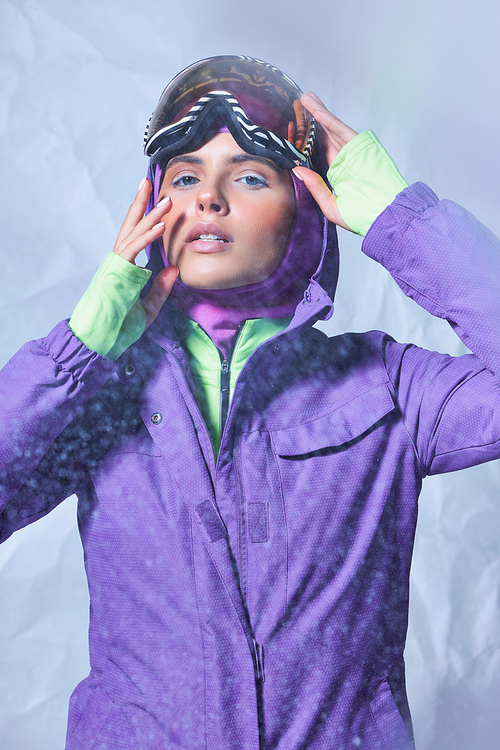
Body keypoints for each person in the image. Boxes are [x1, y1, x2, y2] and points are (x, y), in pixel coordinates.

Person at [1, 55, 500, 750]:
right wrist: (79, 347)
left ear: (303, 207)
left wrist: (404, 221)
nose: (208, 198)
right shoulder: (96, 395)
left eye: (247, 176)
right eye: (183, 176)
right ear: (151, 204)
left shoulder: (384, 386)